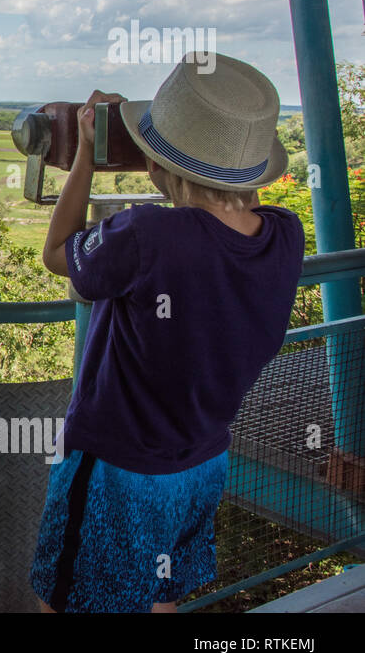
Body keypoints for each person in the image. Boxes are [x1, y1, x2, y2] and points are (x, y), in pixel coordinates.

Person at [29, 52, 306, 613]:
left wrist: (85, 153)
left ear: (157, 167)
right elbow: (214, 237)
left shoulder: (147, 234)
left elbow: (58, 255)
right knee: (158, 597)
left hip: (120, 469)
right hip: (202, 462)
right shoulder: (284, 234)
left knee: (69, 602)